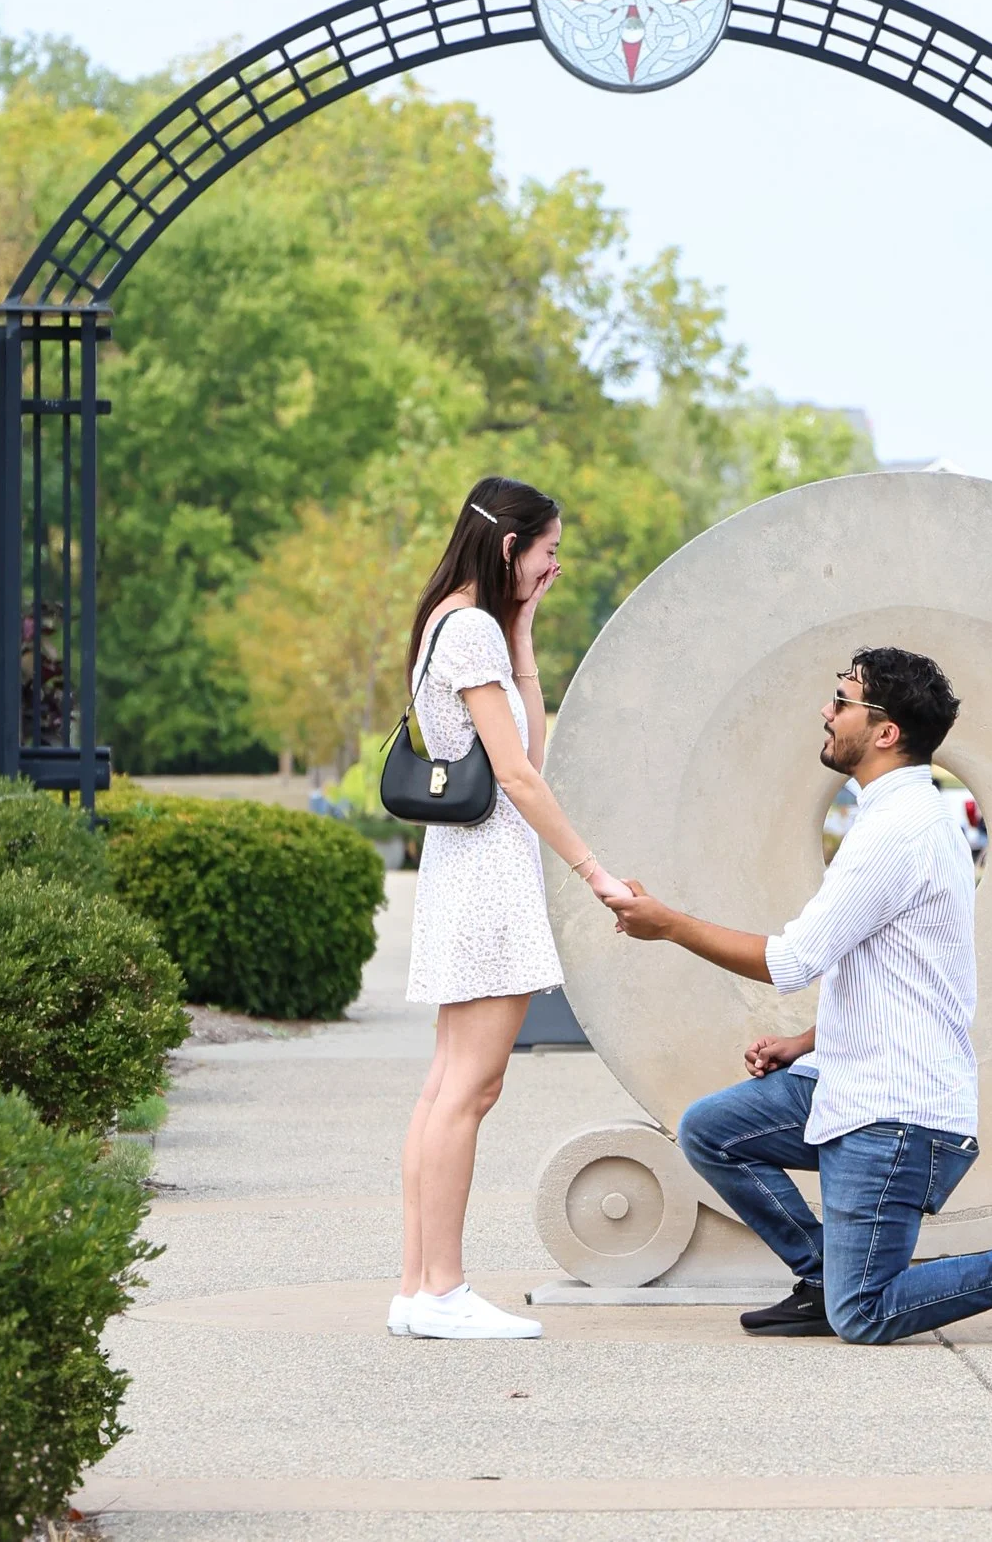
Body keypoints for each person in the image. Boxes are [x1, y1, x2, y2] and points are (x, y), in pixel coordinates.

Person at [603, 647, 992, 1346]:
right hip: (850, 1078)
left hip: (894, 1110)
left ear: (885, 732)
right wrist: (807, 1041)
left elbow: (792, 959)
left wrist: (669, 924)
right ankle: (824, 1275)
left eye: (843, 699)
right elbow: (899, 972)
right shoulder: (895, 815)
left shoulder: (897, 830)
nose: (827, 709)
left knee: (867, 1313)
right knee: (711, 1130)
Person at [394, 477, 627, 1341]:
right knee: (469, 1088)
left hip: (462, 866)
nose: (555, 565)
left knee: (446, 1087)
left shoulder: (454, 622)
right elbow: (523, 771)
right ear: (509, 546)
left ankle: (419, 1287)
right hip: (490, 870)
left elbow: (527, 740)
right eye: (548, 550)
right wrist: (591, 868)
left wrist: (523, 629)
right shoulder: (471, 628)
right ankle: (444, 1289)